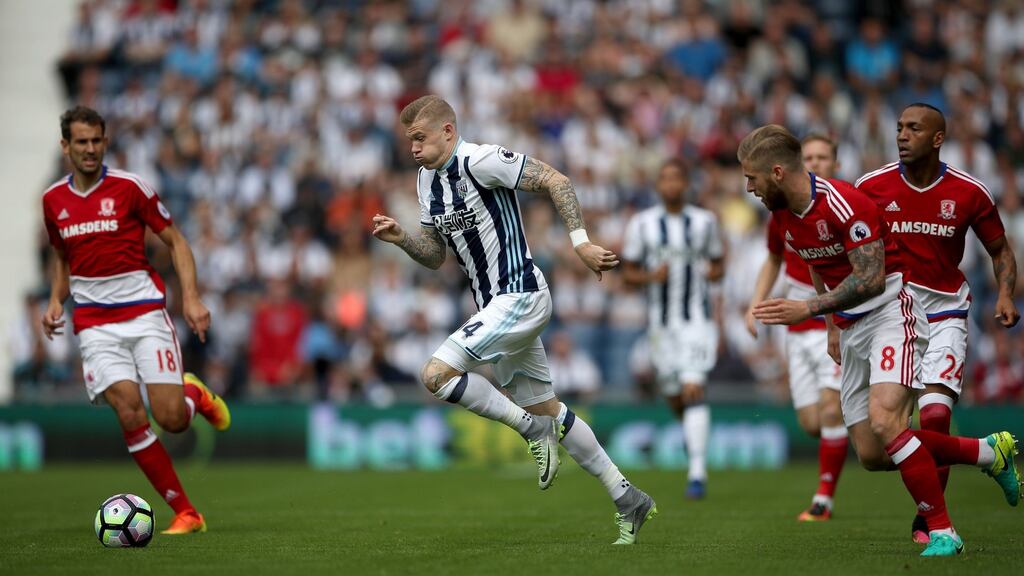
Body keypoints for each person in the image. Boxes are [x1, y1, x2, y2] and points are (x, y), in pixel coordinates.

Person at [371, 95, 656, 544]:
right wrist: (403, 238)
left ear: (447, 130)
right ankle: (628, 497)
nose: (413, 149)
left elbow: (555, 180)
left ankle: (530, 431)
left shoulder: (481, 160)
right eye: (409, 141)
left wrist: (580, 242)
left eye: (420, 138)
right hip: (494, 307)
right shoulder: (426, 183)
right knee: (547, 407)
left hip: (520, 294)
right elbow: (434, 256)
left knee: (436, 374)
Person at [741, 124, 1020, 557]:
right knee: (872, 454)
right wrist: (833, 322)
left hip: (891, 313)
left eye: (751, 178)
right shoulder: (783, 215)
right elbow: (817, 260)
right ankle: (988, 453)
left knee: (890, 422)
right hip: (851, 330)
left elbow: (871, 278)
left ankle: (943, 531)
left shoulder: (843, 203)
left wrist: (811, 310)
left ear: (776, 172)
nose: (748, 188)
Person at [41, 106, 230, 535]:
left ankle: (192, 396)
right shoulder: (53, 201)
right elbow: (61, 256)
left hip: (144, 313)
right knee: (128, 410)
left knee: (172, 420)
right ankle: (187, 513)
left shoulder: (130, 188)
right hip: (93, 324)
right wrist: (56, 299)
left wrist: (193, 299)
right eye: (81, 142)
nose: (90, 149)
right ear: (65, 146)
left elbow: (176, 241)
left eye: (96, 140)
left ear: (105, 142)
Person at [855, 103, 1021, 543]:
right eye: (899, 127)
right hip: (890, 319)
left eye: (913, 128)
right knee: (876, 446)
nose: (902, 135)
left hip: (946, 313)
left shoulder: (969, 192)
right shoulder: (871, 187)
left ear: (938, 138)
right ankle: (991, 454)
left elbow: (1000, 251)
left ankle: (929, 522)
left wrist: (1004, 293)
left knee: (933, 419)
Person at [746, 135, 848, 521]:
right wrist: (755, 303)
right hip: (796, 325)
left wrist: (835, 317)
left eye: (824, 156)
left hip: (834, 320)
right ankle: (865, 426)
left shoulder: (841, 206)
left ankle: (824, 500)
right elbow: (773, 259)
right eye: (810, 157)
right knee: (811, 422)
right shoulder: (781, 211)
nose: (816, 162)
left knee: (830, 411)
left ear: (835, 163)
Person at [621, 159, 724, 499]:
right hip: (660, 325)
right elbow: (629, 273)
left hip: (696, 319)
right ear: (658, 186)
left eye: (676, 178)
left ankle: (697, 473)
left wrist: (714, 274)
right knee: (674, 393)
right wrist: (652, 277)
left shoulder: (704, 222)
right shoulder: (643, 224)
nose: (670, 184)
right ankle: (692, 433)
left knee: (693, 386)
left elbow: (719, 263)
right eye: (664, 179)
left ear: (685, 183)